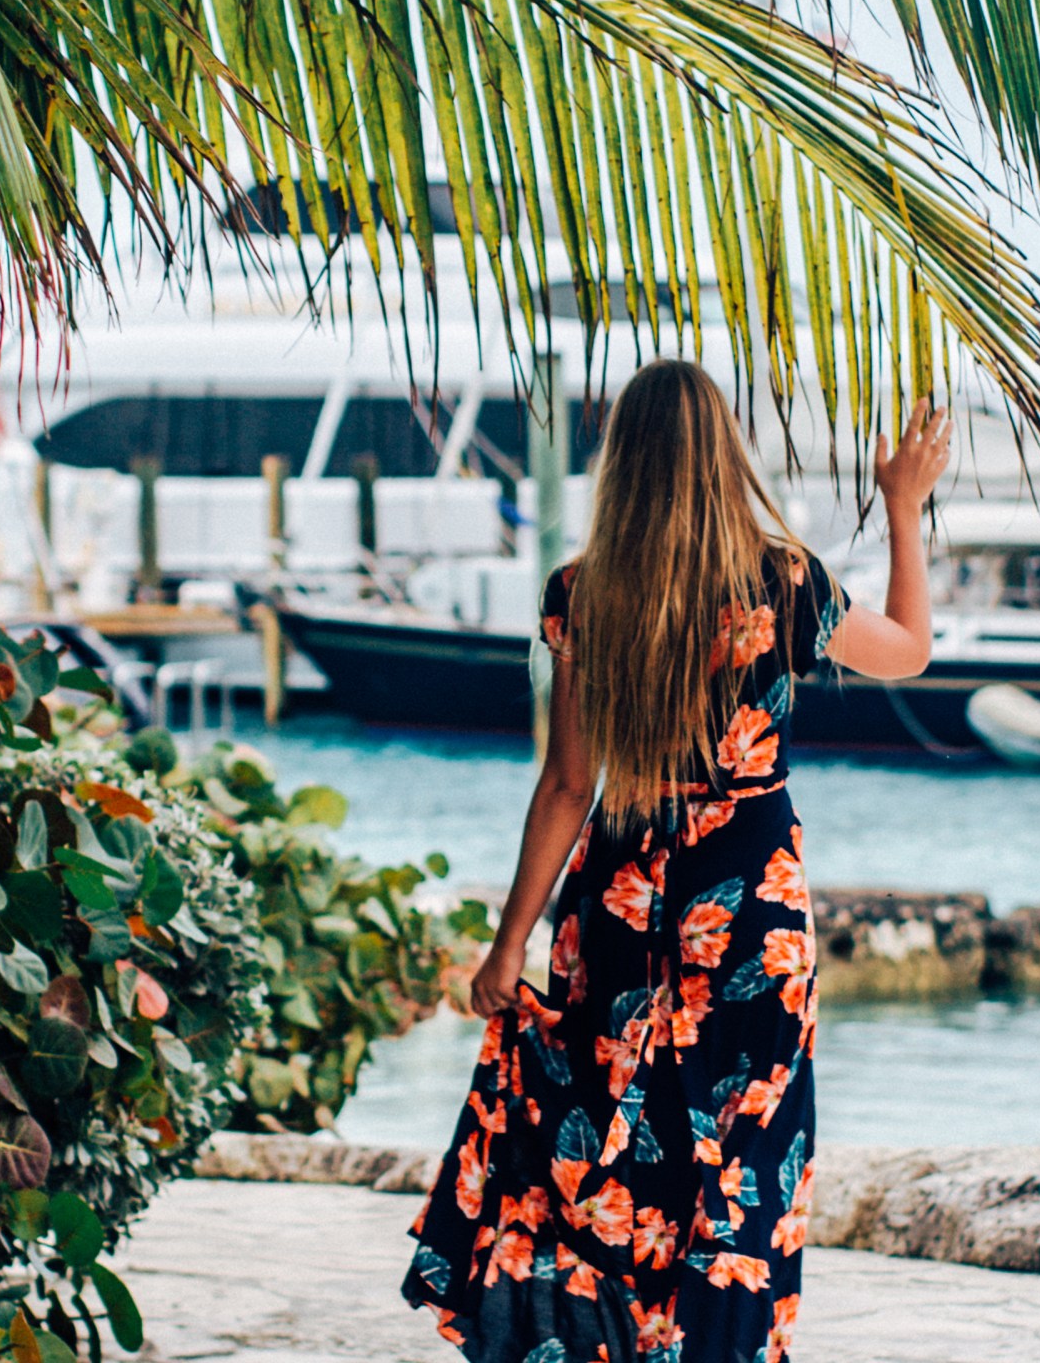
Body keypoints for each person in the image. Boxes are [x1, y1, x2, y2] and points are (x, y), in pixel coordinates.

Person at [402, 360, 949, 1363]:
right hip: (748, 910)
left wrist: (505, 944)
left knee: (611, 1150)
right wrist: (902, 507)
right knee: (746, 1164)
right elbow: (910, 648)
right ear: (721, 453)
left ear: (624, 463)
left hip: (616, 902)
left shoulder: (582, 591)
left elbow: (568, 785)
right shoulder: (784, 582)